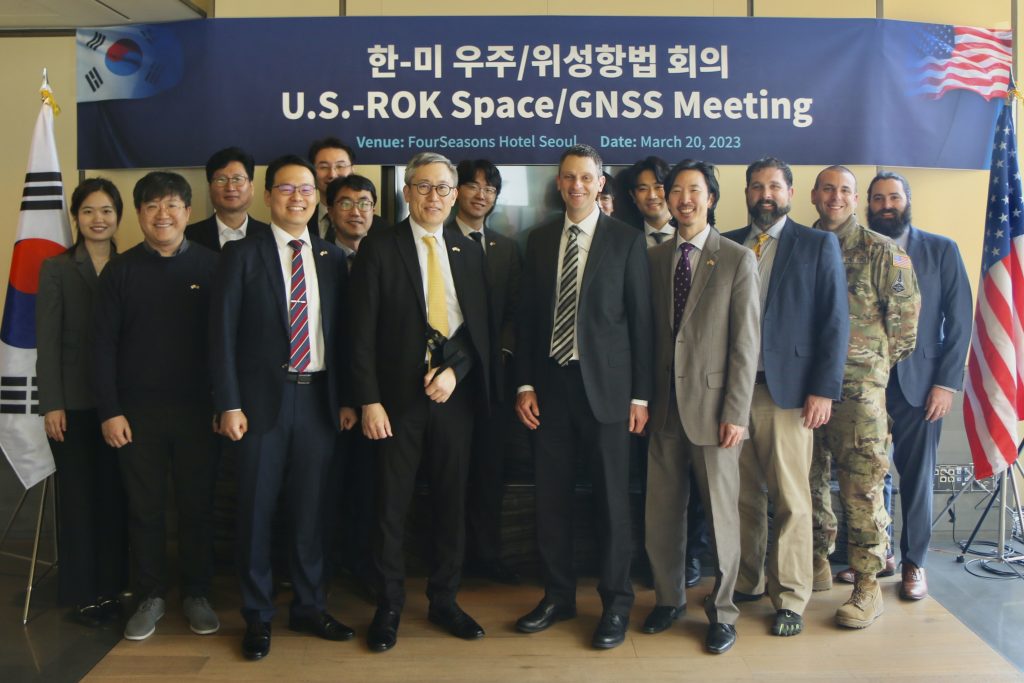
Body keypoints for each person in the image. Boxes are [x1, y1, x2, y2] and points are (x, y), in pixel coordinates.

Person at [210, 154, 354, 660]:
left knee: (312, 511)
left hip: (318, 400)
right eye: (288, 189)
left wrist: (347, 400)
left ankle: (311, 606)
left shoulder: (331, 258)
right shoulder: (241, 254)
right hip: (259, 406)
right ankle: (258, 615)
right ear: (269, 196)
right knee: (255, 510)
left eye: (308, 190)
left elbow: (342, 338)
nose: (299, 197)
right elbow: (221, 335)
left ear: (318, 198)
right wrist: (228, 402)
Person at [350, 152, 492, 652]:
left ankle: (444, 600)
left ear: (455, 195)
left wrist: (457, 371)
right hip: (394, 403)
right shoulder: (380, 247)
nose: (435, 197)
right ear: (406, 192)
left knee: (452, 503)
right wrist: (368, 400)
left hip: (454, 399)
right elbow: (359, 334)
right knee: (391, 506)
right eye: (424, 187)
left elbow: (481, 331)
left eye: (444, 188)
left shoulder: (469, 250)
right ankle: (388, 605)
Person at [515, 144, 653, 650]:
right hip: (551, 389)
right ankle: (557, 596)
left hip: (610, 394)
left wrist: (641, 395)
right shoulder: (539, 240)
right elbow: (529, 320)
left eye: (586, 178)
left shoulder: (625, 241)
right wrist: (525, 384)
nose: (576, 186)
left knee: (613, 502)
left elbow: (641, 325)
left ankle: (615, 603)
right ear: (559, 183)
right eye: (568, 177)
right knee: (550, 500)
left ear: (601, 184)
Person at [723, 157, 848, 637]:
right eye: (756, 186)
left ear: (791, 193)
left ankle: (791, 597)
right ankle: (750, 581)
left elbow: (834, 322)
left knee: (792, 500)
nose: (764, 194)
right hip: (734, 393)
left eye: (774, 186)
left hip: (790, 395)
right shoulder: (730, 243)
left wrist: (823, 389)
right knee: (742, 497)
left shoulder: (817, 245)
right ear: (747, 193)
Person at [93, 171, 220, 641]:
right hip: (134, 415)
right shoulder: (120, 271)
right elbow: (101, 346)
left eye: (172, 205)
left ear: (188, 212)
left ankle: (198, 593)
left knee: (197, 507)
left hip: (198, 412)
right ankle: (150, 595)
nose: (162, 214)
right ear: (140, 215)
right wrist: (109, 410)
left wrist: (223, 403)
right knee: (144, 509)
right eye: (151, 206)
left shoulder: (212, 267)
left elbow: (225, 345)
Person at [643, 159, 759, 654]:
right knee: (661, 514)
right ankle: (668, 599)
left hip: (715, 412)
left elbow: (745, 343)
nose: (684, 199)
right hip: (663, 409)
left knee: (721, 518)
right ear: (666, 200)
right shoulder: (652, 259)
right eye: (676, 191)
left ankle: (723, 611)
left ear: (710, 198)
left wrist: (736, 410)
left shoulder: (736, 258)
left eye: (694, 191)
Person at [807, 165, 920, 628]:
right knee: (806, 480)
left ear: (856, 200)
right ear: (813, 195)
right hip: (800, 388)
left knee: (861, 489)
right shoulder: (798, 245)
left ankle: (868, 587)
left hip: (859, 394)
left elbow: (904, 331)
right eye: (828, 189)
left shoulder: (883, 252)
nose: (836, 197)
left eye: (846, 191)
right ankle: (815, 561)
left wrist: (864, 369)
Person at [867, 170, 972, 601]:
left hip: (920, 383)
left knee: (915, 477)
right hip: (864, 382)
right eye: (878, 199)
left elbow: (960, 320)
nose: (886, 205)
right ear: (868, 205)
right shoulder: (855, 249)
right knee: (869, 476)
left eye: (894, 197)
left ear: (908, 202)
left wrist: (945, 384)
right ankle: (879, 556)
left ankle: (914, 563)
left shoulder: (941, 251)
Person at [36, 177, 128, 628]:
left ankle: (114, 585)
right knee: (78, 500)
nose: (98, 219)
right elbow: (47, 342)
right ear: (75, 217)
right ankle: (83, 592)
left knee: (114, 496)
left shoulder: (129, 265)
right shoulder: (56, 268)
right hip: (71, 405)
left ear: (118, 217)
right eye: (89, 210)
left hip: (119, 405)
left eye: (107, 211)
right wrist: (51, 403)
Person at [624, 155, 710, 587]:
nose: (656, 195)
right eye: (644, 188)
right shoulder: (625, 241)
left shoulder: (718, 249)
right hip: (646, 390)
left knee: (698, 487)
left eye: (664, 186)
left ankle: (692, 558)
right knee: (652, 485)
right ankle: (658, 567)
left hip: (700, 393)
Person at [447, 158, 522, 584]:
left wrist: (505, 354)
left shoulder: (505, 248)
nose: (481, 195)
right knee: (451, 474)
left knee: (490, 473)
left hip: (495, 380)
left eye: (490, 189)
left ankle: (487, 556)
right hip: (447, 381)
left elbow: (514, 310)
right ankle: (451, 560)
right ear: (456, 190)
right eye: (473, 186)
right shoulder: (437, 239)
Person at [322, 173, 378, 594]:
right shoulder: (318, 258)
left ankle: (363, 568)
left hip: (379, 398)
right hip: (328, 399)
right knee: (327, 487)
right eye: (346, 203)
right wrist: (345, 398)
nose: (356, 211)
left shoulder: (388, 255)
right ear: (329, 209)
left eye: (364, 202)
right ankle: (321, 570)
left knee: (369, 488)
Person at [185, 146, 270, 251]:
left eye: (237, 179)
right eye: (221, 179)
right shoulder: (188, 237)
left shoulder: (270, 237)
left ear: (251, 187)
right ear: (209, 188)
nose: (230, 187)